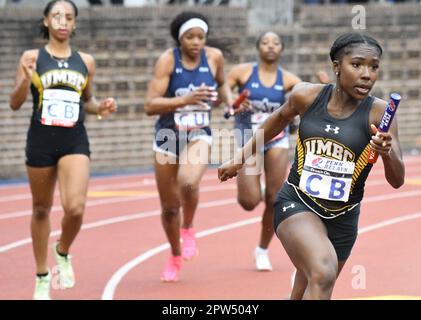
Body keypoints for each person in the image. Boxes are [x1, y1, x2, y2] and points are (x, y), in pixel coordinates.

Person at [218, 32, 405, 299]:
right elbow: (276, 120)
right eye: (357, 64)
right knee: (323, 271)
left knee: (307, 289)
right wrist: (240, 157)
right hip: (298, 202)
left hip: (344, 216)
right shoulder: (306, 96)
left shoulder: (380, 113)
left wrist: (386, 152)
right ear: (337, 66)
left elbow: (397, 180)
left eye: (374, 67)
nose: (367, 74)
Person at [9, 0, 117, 300]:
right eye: (56, 16)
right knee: (41, 209)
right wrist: (26, 75)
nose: (62, 21)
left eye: (68, 17)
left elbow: (88, 101)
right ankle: (42, 275)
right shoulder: (32, 57)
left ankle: (63, 250)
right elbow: (15, 102)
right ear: (45, 21)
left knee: (75, 208)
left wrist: (102, 107)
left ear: (74, 24)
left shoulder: (86, 61)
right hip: (41, 139)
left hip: (74, 139)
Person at [144, 11, 232, 282]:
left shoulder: (214, 57)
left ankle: (189, 227)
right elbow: (150, 105)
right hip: (168, 135)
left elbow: (222, 82)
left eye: (200, 37)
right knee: (169, 207)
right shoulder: (168, 60)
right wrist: (185, 100)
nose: (196, 42)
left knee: (188, 183)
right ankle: (174, 254)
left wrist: (228, 101)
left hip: (198, 133)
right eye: (190, 37)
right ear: (179, 38)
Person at [226, 31, 301, 271]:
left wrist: (296, 117)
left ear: (282, 49)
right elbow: (225, 93)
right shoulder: (242, 73)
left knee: (274, 198)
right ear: (258, 47)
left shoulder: (289, 79)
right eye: (266, 42)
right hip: (248, 138)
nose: (271, 46)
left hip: (276, 139)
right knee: (249, 202)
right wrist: (235, 103)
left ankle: (262, 250)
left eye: (276, 42)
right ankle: (254, 186)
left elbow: (304, 102)